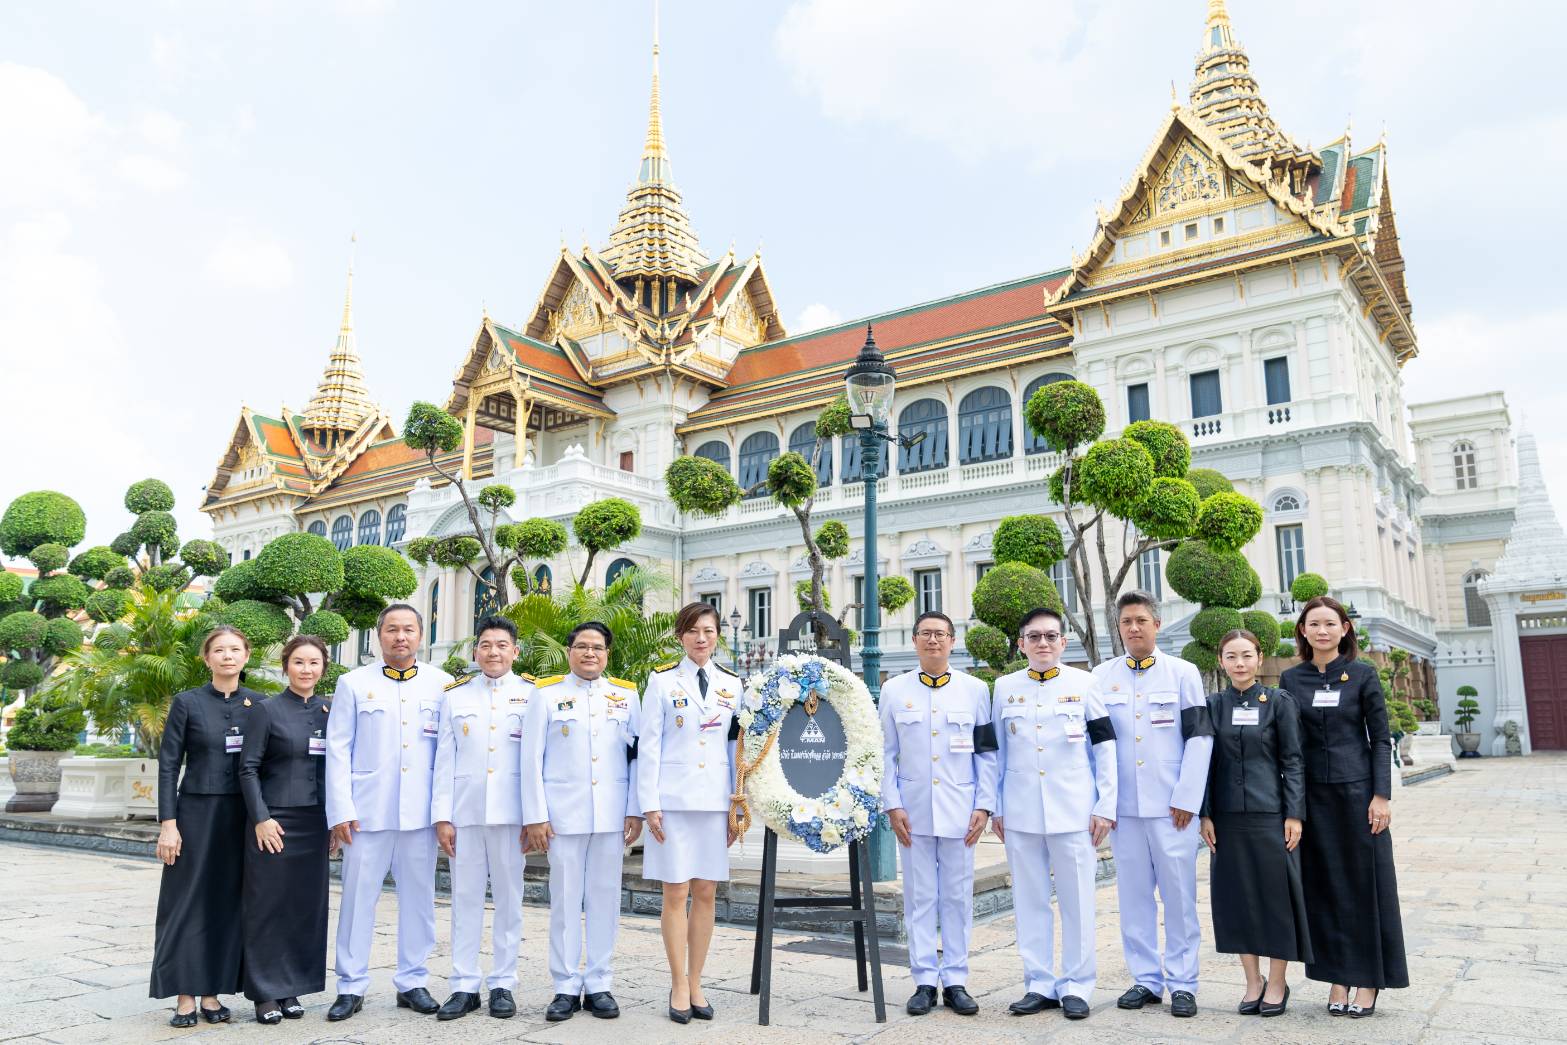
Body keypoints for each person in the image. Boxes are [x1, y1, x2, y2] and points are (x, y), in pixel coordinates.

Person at [323, 605, 453, 1022]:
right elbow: (337, 751)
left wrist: (443, 812)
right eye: (392, 629)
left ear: (420, 634)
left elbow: (449, 755)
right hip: (366, 814)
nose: (401, 636)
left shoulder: (443, 684)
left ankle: (413, 981)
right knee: (358, 900)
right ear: (379, 635)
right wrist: (340, 811)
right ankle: (350, 985)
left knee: (420, 902)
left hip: (420, 816)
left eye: (409, 630)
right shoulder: (353, 683)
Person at [1280, 596, 1407, 1017]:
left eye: (1330, 623)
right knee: (1326, 888)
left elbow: (1380, 738)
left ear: (1345, 629)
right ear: (1302, 630)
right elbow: (1288, 747)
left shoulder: (1364, 676)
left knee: (1363, 887)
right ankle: (1338, 977)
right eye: (1313, 624)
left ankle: (1369, 979)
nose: (1322, 631)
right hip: (1313, 800)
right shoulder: (1292, 680)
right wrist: (1290, 806)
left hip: (1358, 797)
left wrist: (1381, 796)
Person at [1090, 590, 1212, 1019]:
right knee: (1134, 897)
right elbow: (1097, 745)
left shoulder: (1183, 673)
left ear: (1157, 625)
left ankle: (1183, 983)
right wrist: (1103, 803)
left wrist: (1187, 797)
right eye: (1126, 622)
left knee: (1179, 897)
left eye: (1141, 620)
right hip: (1124, 809)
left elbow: (1199, 737)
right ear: (1119, 628)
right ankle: (1145, 978)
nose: (1134, 628)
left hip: (1171, 808)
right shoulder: (1101, 677)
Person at [993, 607, 1117, 1021]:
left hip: (1075, 810)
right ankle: (1039, 983)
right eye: (1034, 636)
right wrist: (996, 806)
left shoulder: (1085, 683)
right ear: (1021, 643)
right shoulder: (1005, 687)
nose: (1042, 643)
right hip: (1022, 808)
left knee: (1077, 900)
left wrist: (1105, 804)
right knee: (1028, 900)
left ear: (1064, 642)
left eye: (1050, 636)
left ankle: (1078, 985)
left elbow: (1105, 746)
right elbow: (995, 752)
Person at [521, 622, 643, 1023]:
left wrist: (634, 809)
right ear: (569, 651)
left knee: (605, 900)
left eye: (598, 648)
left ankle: (600, 982)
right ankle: (565, 986)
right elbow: (531, 761)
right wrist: (536, 815)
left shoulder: (625, 695)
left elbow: (638, 757)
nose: (590, 653)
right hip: (562, 816)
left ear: (607, 654)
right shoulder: (547, 695)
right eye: (582, 647)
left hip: (610, 815)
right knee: (565, 901)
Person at [880, 610, 998, 1018]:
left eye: (941, 634)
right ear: (914, 640)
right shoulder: (894, 690)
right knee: (919, 898)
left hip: (960, 811)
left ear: (952, 641)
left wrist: (984, 804)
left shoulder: (975, 690)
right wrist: (892, 805)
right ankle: (924, 981)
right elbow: (885, 755)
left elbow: (987, 753)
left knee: (957, 897)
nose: (933, 641)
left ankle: (957, 979)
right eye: (926, 634)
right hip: (912, 812)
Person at [149, 625, 261, 1027]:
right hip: (194, 814)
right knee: (186, 902)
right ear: (207, 658)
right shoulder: (187, 703)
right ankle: (183, 996)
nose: (227, 656)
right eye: (219, 650)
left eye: (235, 650)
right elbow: (167, 766)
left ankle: (212, 994)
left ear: (246, 656)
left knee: (227, 905)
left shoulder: (259, 704)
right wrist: (168, 824)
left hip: (243, 819)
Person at [639, 603, 742, 1023]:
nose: (702, 638)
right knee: (675, 893)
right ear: (680, 636)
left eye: (709, 631)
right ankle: (678, 981)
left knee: (705, 893)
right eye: (693, 631)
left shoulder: (733, 685)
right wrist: (650, 804)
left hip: (715, 803)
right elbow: (649, 745)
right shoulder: (662, 682)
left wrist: (739, 805)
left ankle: (697, 981)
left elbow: (739, 750)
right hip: (674, 803)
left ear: (718, 636)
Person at [1200, 629, 1312, 1017]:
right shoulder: (1213, 704)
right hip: (1228, 819)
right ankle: (1252, 981)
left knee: (1274, 898)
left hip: (1271, 815)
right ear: (1221, 661)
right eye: (1231, 656)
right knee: (1238, 899)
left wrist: (1294, 813)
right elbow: (1204, 764)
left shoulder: (1278, 701)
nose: (1240, 663)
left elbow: (1293, 760)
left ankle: (1278, 981)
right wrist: (1206, 813)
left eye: (1247, 655)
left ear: (1259, 658)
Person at [431, 615, 535, 1021]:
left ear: (516, 651)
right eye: (486, 645)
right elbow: (444, 758)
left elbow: (536, 760)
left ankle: (504, 983)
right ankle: (463, 984)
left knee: (510, 900)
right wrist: (442, 816)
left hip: (512, 815)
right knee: (465, 899)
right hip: (466, 812)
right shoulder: (455, 696)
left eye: (502, 645)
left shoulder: (532, 694)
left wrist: (534, 816)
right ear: (476, 651)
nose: (494, 652)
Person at [239, 634, 334, 1025]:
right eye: (299, 662)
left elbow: (337, 768)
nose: (306, 669)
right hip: (275, 821)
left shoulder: (331, 710)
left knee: (303, 908)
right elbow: (247, 768)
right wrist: (261, 818)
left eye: (314, 663)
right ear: (286, 666)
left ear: (323, 668)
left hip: (315, 822)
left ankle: (292, 987)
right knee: (267, 907)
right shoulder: (266, 710)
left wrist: (335, 821)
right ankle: (264, 993)